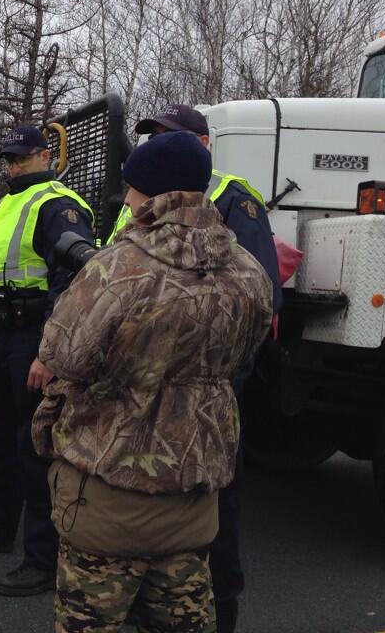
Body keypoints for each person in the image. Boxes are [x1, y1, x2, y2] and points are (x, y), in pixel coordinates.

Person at [32, 131, 274, 632]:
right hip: (193, 501)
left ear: (150, 193)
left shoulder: (118, 267)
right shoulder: (249, 273)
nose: (126, 200)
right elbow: (245, 354)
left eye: (131, 190)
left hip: (108, 504)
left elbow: (61, 355)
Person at [119, 103, 283, 633]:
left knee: (211, 514)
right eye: (152, 137)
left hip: (201, 395)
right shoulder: (140, 202)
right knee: (147, 511)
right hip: (140, 391)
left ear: (204, 144)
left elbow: (256, 303)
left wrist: (217, 383)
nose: (155, 146)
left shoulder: (233, 198)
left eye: (169, 136)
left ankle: (220, 612)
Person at [0, 126, 95, 597]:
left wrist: (49, 349)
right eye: (8, 159)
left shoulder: (57, 202)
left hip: (36, 335)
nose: (12, 166)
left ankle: (43, 556)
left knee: (35, 450)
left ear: (46, 156)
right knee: (5, 446)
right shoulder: (0, 208)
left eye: (22, 158)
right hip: (5, 335)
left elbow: (74, 280)